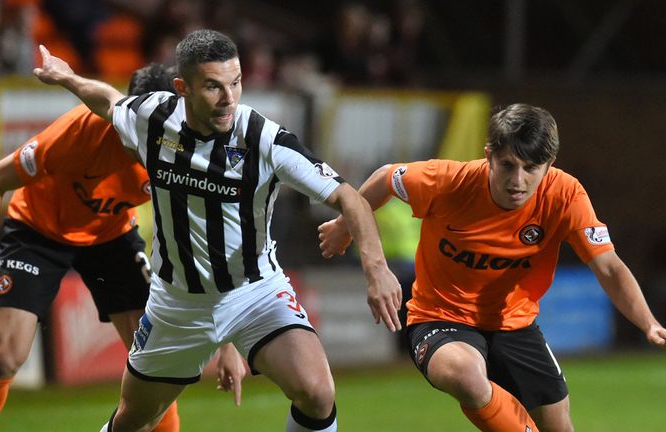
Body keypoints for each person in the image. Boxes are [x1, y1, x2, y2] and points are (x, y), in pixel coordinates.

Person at [32, 29, 402, 432]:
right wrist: (67, 76)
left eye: (236, 82)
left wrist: (376, 268)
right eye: (213, 86)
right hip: (177, 305)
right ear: (182, 88)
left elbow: (350, 198)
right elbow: (107, 101)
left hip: (255, 292)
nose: (229, 97)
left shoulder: (264, 139)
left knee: (317, 392)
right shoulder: (153, 117)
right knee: (133, 421)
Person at [318, 103, 666, 431]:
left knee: (559, 426)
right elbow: (385, 178)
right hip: (440, 317)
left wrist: (648, 323)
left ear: (550, 164)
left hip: (515, 325)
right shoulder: (449, 181)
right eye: (508, 165)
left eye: (531, 168)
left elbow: (608, 266)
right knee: (466, 376)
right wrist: (343, 226)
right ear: (489, 156)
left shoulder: (566, 196)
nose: (518, 180)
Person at [0, 62, 246, 432]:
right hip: (37, 230)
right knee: (4, 360)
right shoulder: (79, 132)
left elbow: (203, 246)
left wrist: (228, 342)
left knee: (157, 363)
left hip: (110, 235)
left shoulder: (180, 153)